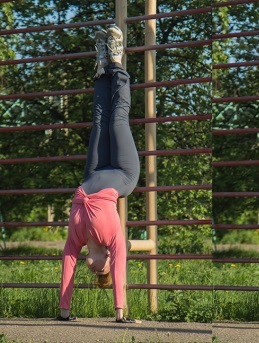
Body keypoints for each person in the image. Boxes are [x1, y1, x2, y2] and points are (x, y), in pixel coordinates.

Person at [56, 25, 140, 323]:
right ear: (108, 257)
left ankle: (102, 64)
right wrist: (120, 313)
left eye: (97, 273)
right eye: (102, 270)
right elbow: (120, 268)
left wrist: (64, 312)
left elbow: (67, 263)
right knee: (119, 119)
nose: (97, 270)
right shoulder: (111, 237)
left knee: (100, 120)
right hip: (123, 175)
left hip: (90, 177)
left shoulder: (78, 238)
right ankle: (118, 62)